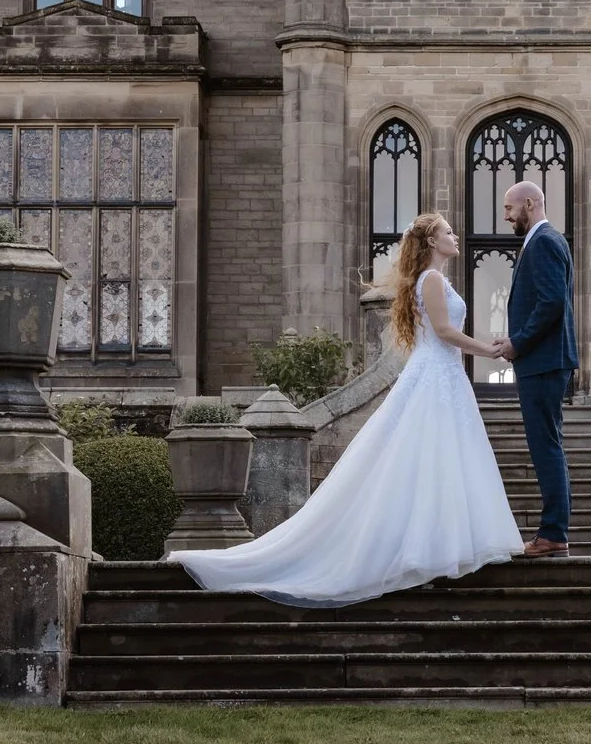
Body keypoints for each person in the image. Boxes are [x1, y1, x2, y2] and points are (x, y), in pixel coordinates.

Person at [169, 211, 523, 606]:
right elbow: (443, 332)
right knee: (432, 459)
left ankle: (435, 545)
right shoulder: (434, 279)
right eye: (447, 232)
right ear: (431, 242)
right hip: (436, 376)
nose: (455, 236)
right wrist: (488, 349)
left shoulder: (429, 280)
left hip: (441, 377)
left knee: (438, 462)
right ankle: (428, 548)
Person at [492, 179, 576, 557]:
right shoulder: (543, 241)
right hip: (543, 360)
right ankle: (553, 530)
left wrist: (518, 342)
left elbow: (551, 303)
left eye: (510, 208)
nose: (506, 216)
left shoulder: (543, 241)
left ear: (529, 203)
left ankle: (553, 533)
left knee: (546, 447)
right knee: (547, 444)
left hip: (543, 361)